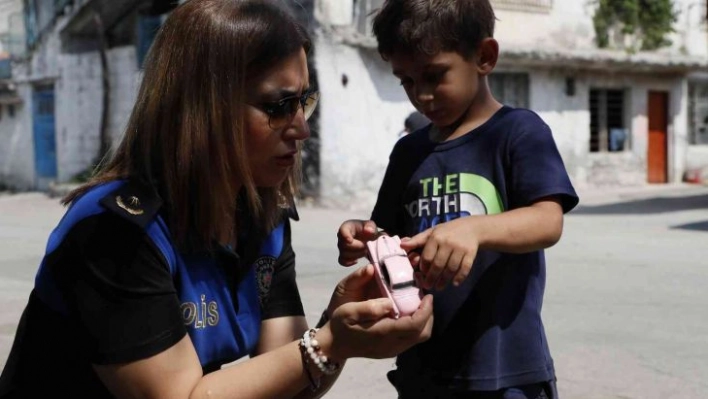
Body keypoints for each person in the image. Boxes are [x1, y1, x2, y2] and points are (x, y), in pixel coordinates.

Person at [0, 1, 434, 398]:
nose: (302, 129)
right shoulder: (115, 233)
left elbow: (287, 380)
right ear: (203, 109)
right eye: (280, 105)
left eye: (304, 101)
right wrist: (331, 341)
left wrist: (340, 315)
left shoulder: (263, 216)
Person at [337, 0, 579, 398]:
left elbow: (547, 221)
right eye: (407, 81)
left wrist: (475, 229)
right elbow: (388, 232)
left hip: (506, 369)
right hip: (424, 367)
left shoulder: (518, 132)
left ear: (484, 57)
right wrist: (364, 236)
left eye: (435, 76)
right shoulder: (408, 153)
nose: (422, 96)